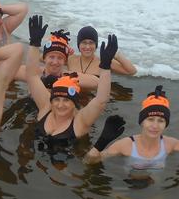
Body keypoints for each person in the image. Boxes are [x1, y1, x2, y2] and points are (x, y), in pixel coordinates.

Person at [26, 15, 117, 144]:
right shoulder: (46, 107)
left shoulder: (80, 121)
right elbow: (32, 75)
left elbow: (101, 100)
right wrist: (34, 44)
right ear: (51, 100)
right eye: (57, 99)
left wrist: (105, 67)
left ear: (74, 103)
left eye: (66, 100)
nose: (60, 105)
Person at [85, 86, 179, 165]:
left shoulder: (169, 144)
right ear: (141, 121)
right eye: (150, 119)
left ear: (166, 124)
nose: (155, 125)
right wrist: (101, 143)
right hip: (127, 187)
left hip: (156, 187)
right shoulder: (126, 145)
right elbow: (89, 162)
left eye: (161, 121)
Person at [67, 25, 137, 90]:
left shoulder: (104, 62)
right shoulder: (70, 59)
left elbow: (131, 71)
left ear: (96, 45)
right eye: (84, 42)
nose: (87, 47)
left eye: (91, 43)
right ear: (78, 45)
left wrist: (116, 54)